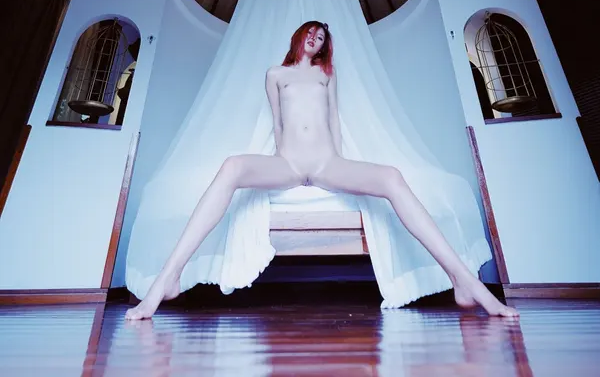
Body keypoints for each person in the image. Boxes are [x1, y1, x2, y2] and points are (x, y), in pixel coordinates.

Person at [126, 21, 519, 320]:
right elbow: (277, 122)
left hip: (327, 161)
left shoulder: (326, 75)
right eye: (312, 32)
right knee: (231, 167)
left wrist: (339, 163)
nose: (316, 38)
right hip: (289, 162)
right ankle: (168, 278)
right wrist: (280, 160)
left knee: (392, 177)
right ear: (300, 37)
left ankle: (463, 279)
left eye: (322, 37)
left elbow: (333, 120)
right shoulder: (275, 75)